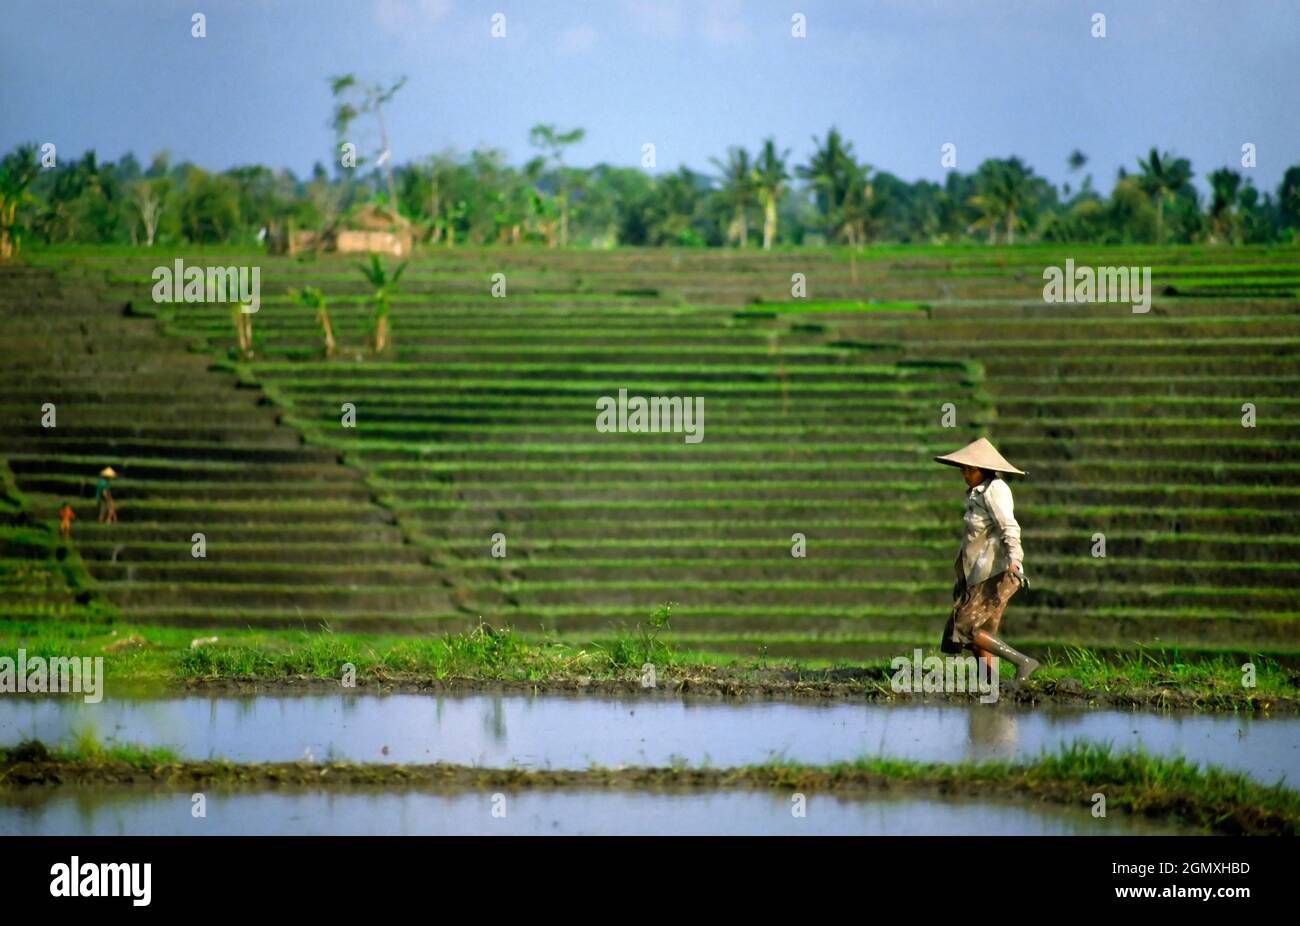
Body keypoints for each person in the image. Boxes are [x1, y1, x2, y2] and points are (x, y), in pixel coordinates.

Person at [935, 438, 1039, 684]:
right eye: (964, 469)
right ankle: (988, 684)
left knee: (965, 628)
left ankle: (1023, 662)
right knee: (982, 632)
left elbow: (1009, 527)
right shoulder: (976, 493)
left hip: (997, 572)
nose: (965, 474)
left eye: (970, 469)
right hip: (976, 573)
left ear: (984, 470)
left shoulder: (996, 490)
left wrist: (1014, 561)